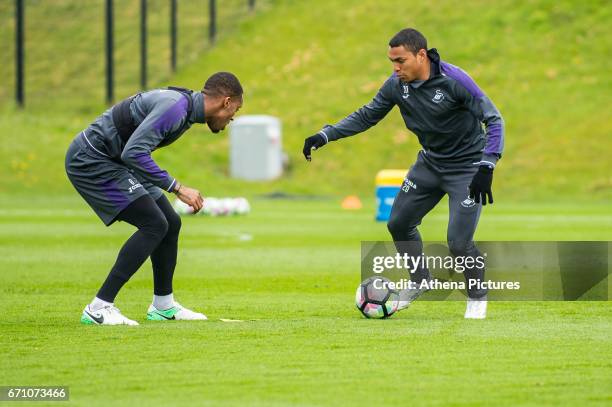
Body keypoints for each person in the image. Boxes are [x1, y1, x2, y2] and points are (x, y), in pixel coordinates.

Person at [303, 29, 504, 319]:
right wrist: (326, 135)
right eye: (392, 61)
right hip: (430, 164)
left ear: (421, 55)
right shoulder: (397, 84)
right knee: (398, 223)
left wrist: (487, 164)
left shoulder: (455, 80)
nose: (396, 68)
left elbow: (495, 119)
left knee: (459, 243)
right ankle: (421, 280)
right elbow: (366, 115)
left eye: (401, 60)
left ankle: (477, 297)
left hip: (467, 168)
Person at [66, 72, 243, 325]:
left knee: (170, 222)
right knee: (154, 224)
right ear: (225, 102)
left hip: (115, 160)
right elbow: (134, 153)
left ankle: (163, 305)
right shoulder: (175, 108)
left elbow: (133, 151)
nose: (232, 119)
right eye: (234, 110)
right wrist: (177, 187)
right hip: (92, 160)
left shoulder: (185, 109)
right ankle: (99, 307)